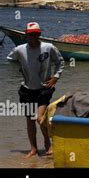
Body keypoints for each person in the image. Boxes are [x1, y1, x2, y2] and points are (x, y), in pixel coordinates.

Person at [7, 22, 65, 158]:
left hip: (43, 89)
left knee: (40, 118)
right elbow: (10, 59)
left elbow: (60, 62)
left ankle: (47, 143)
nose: (32, 37)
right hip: (27, 90)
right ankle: (33, 149)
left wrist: (56, 77)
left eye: (35, 34)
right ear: (26, 35)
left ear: (39, 34)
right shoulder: (19, 50)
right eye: (30, 35)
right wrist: (21, 69)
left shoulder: (49, 47)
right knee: (30, 120)